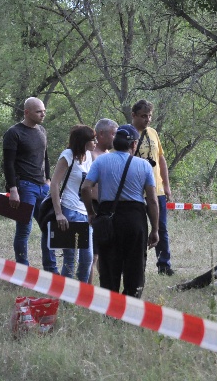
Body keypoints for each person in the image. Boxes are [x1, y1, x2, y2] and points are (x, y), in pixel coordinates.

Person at [81, 124, 159, 298]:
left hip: (108, 216)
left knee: (108, 263)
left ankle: (111, 307)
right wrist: (155, 229)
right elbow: (152, 200)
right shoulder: (144, 165)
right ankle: (130, 304)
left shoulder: (101, 161)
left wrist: (91, 213)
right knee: (135, 264)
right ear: (133, 145)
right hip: (134, 218)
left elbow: (86, 188)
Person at [2, 97, 58, 273]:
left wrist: (48, 180)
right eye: (39, 111)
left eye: (44, 111)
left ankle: (50, 268)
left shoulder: (42, 130)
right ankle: (22, 270)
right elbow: (8, 163)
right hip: (25, 186)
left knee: (50, 227)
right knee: (24, 229)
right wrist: (13, 189)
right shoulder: (14, 133)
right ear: (27, 112)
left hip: (43, 186)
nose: (43, 114)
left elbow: (45, 157)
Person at [130, 99, 174, 275]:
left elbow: (161, 159)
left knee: (161, 228)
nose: (147, 120)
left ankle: (164, 265)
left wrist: (167, 185)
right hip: (135, 191)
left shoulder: (153, 133)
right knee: (138, 230)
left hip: (157, 190)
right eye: (143, 116)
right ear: (133, 115)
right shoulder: (126, 133)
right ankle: (137, 264)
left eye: (149, 116)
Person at [50, 125, 96, 283]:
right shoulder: (68, 155)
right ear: (83, 141)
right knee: (70, 258)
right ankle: (65, 297)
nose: (95, 142)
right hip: (69, 210)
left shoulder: (90, 156)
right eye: (92, 139)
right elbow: (54, 184)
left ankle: (81, 295)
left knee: (87, 258)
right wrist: (58, 213)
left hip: (86, 212)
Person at [87, 118, 118, 284]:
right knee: (92, 253)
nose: (115, 137)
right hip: (92, 206)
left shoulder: (109, 156)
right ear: (101, 134)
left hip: (107, 208)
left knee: (103, 252)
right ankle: (86, 290)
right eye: (113, 134)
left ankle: (107, 286)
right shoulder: (90, 155)